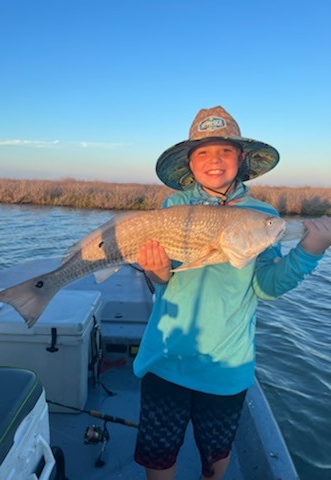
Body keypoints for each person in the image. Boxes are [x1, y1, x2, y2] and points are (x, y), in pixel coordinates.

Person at [132, 106, 331, 480]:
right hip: (166, 358)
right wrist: (157, 273)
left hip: (227, 366)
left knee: (216, 458)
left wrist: (309, 252)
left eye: (224, 150)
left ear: (241, 158)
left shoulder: (263, 215)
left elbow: (266, 286)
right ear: (189, 163)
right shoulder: (173, 206)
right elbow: (163, 279)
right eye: (203, 152)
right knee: (158, 456)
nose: (214, 160)